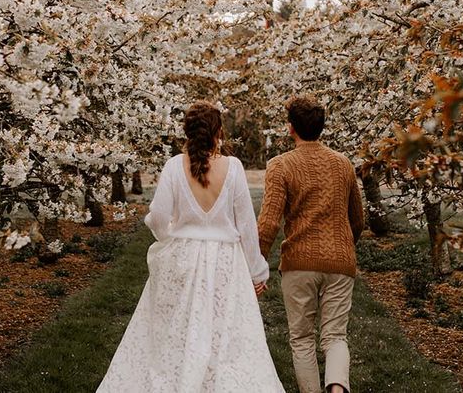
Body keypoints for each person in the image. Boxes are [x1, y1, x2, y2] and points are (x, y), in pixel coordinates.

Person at [98, 101, 284, 392]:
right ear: (218, 132)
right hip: (225, 260)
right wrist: (258, 272)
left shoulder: (174, 166)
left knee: (179, 330)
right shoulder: (233, 168)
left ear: (188, 132)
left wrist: (168, 237)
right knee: (223, 333)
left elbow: (158, 216)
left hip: (182, 257)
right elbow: (247, 225)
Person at [258, 96, 365, 393]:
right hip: (341, 261)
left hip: (299, 262)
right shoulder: (343, 164)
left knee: (302, 338)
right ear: (321, 127)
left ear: (290, 128)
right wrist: (344, 245)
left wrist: (257, 263)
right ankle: (337, 388)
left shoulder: (280, 166)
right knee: (335, 337)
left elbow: (269, 223)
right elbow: (358, 220)